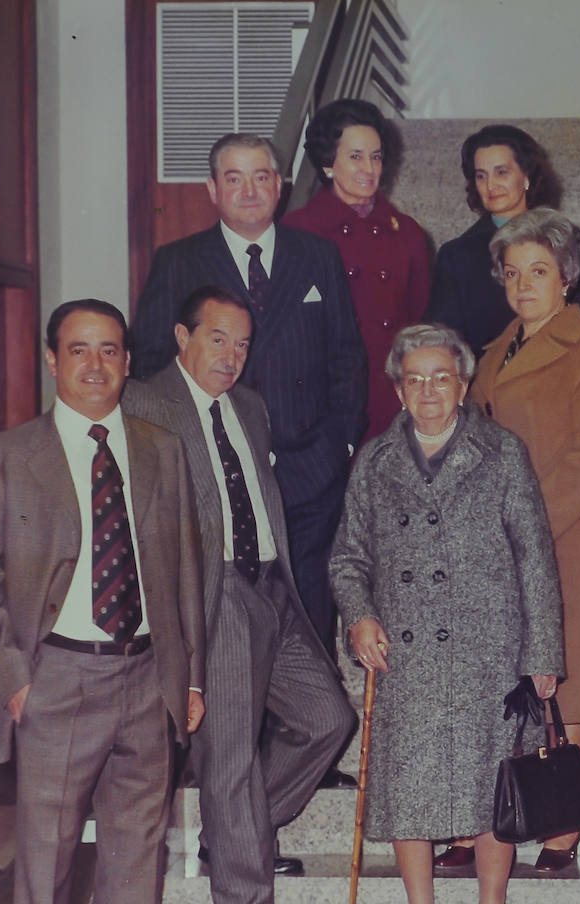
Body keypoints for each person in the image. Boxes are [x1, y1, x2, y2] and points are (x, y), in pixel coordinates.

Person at [0, 299, 205, 904]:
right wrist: (16, 679)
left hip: (147, 679)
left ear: (127, 361)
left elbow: (185, 572)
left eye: (109, 350)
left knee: (135, 864)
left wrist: (189, 677)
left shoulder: (162, 449)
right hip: (56, 681)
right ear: (51, 360)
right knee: (47, 866)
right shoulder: (7, 457)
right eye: (78, 349)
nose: (95, 364)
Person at [122, 286, 356, 904]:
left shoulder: (250, 408)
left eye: (242, 344)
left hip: (273, 586)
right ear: (182, 337)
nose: (231, 355)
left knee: (329, 718)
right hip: (214, 592)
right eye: (217, 338)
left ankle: (233, 837)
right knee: (230, 758)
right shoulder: (145, 404)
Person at [329, 323, 564, 904]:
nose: (428, 390)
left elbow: (536, 559)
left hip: (489, 652)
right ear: (399, 391)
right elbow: (348, 557)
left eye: (441, 377)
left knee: (491, 789)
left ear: (463, 385)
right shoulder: (375, 462)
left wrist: (542, 653)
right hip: (404, 656)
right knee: (409, 789)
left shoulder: (502, 453)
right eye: (415, 379)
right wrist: (359, 617)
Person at [130, 132, 366, 656]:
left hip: (307, 470)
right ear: (213, 190)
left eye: (261, 177)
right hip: (216, 471)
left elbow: (346, 357)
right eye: (234, 179)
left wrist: (340, 445)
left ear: (280, 185)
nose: (250, 191)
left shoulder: (318, 256)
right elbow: (149, 365)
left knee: (309, 621)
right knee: (228, 628)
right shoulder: (178, 261)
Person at [469, 207, 580, 871]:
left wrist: (521, 525)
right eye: (513, 273)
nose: (524, 284)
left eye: (538, 271)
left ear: (566, 277)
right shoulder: (494, 350)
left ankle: (564, 819)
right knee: (510, 674)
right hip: (501, 535)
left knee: (571, 673)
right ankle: (498, 813)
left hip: (570, 532)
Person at [280, 98, 431, 439]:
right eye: (355, 156)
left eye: (376, 156)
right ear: (328, 163)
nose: (369, 168)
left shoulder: (407, 232)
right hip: (327, 403)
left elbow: (420, 318)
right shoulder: (298, 230)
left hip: (392, 398)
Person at [424, 124, 580, 356]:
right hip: (485, 376)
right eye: (481, 176)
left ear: (526, 176)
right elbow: (445, 340)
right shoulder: (456, 255)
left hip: (558, 369)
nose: (491, 185)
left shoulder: (573, 241)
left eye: (501, 172)